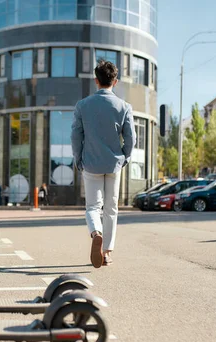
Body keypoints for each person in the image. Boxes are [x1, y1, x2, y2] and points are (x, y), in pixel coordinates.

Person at [71, 60, 135, 268]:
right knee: (111, 208)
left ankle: (95, 232)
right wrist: (124, 157)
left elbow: (75, 135)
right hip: (114, 164)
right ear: (115, 82)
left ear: (96, 81)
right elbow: (131, 138)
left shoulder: (82, 105)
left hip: (90, 163)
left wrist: (78, 159)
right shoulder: (124, 107)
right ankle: (106, 252)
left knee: (92, 207)